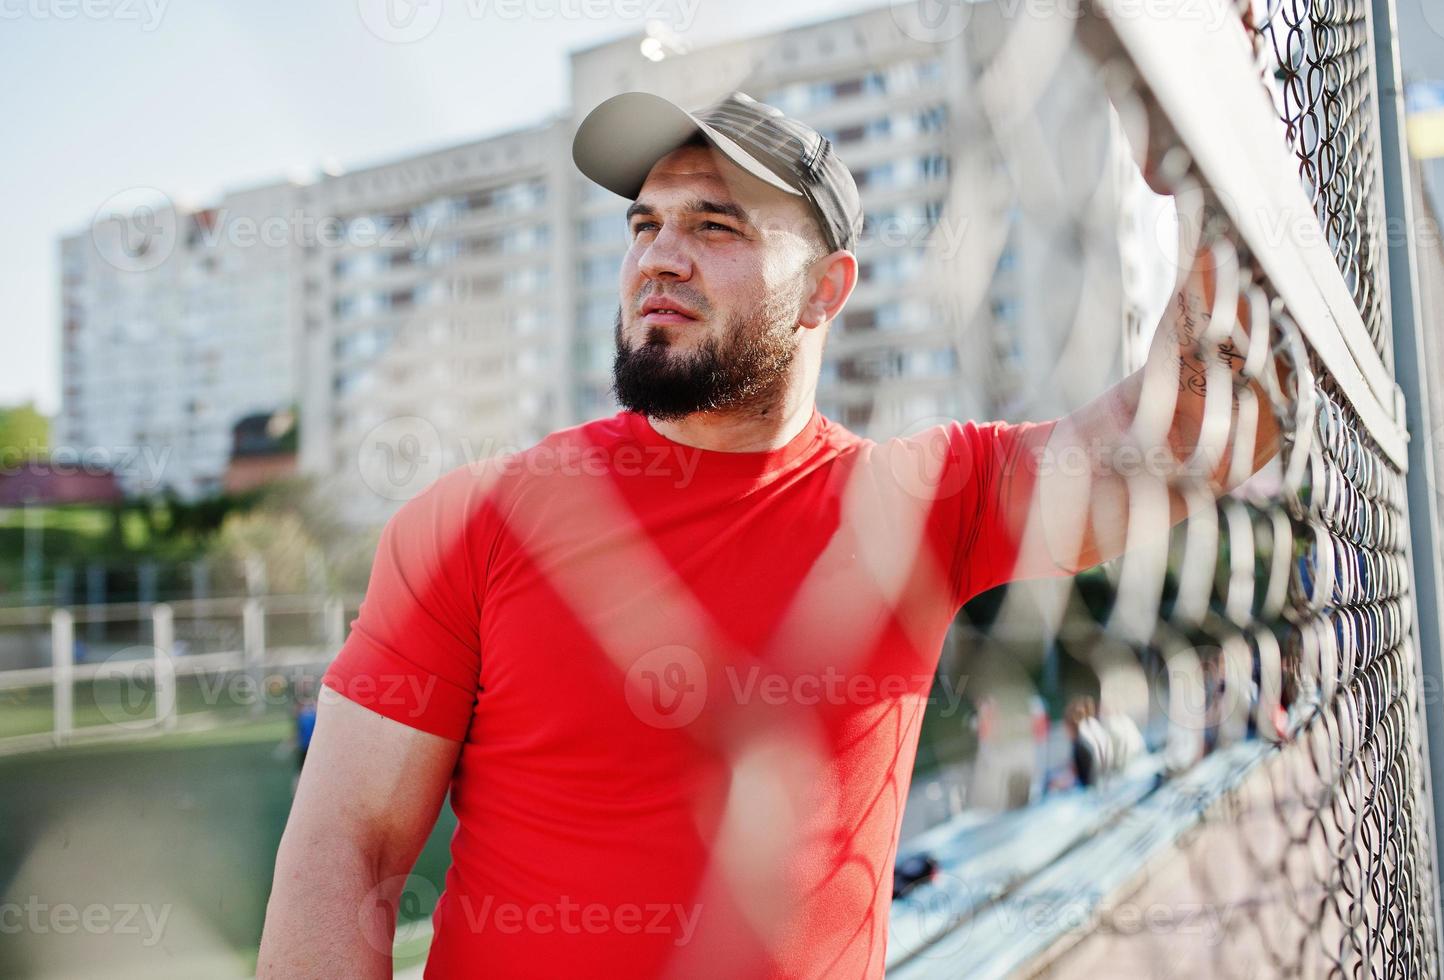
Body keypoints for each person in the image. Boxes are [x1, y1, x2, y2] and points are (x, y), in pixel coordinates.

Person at [258, 90, 1282, 979]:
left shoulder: (920, 501)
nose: (660, 256)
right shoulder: (472, 521)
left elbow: (1198, 431)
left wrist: (1204, 166)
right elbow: (347, 851)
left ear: (826, 291)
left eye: (717, 225)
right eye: (644, 224)